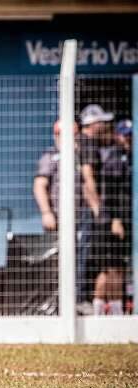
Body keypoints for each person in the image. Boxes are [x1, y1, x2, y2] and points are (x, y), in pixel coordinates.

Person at [33, 120, 90, 313]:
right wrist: (46, 212)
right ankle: (56, 304)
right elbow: (40, 185)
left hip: (81, 218)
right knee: (57, 261)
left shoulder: (83, 157)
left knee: (82, 258)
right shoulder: (51, 157)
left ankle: (79, 300)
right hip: (58, 220)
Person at [90, 119, 132, 315]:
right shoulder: (115, 157)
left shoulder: (127, 157)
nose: (129, 140)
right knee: (111, 268)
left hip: (123, 218)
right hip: (112, 220)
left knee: (118, 268)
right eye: (126, 136)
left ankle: (115, 311)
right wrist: (115, 218)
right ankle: (108, 313)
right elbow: (113, 189)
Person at [78, 104, 115, 314]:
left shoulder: (82, 143)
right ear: (92, 124)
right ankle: (81, 298)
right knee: (87, 252)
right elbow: (88, 179)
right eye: (101, 121)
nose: (105, 125)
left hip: (86, 209)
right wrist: (98, 208)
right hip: (89, 210)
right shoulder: (89, 144)